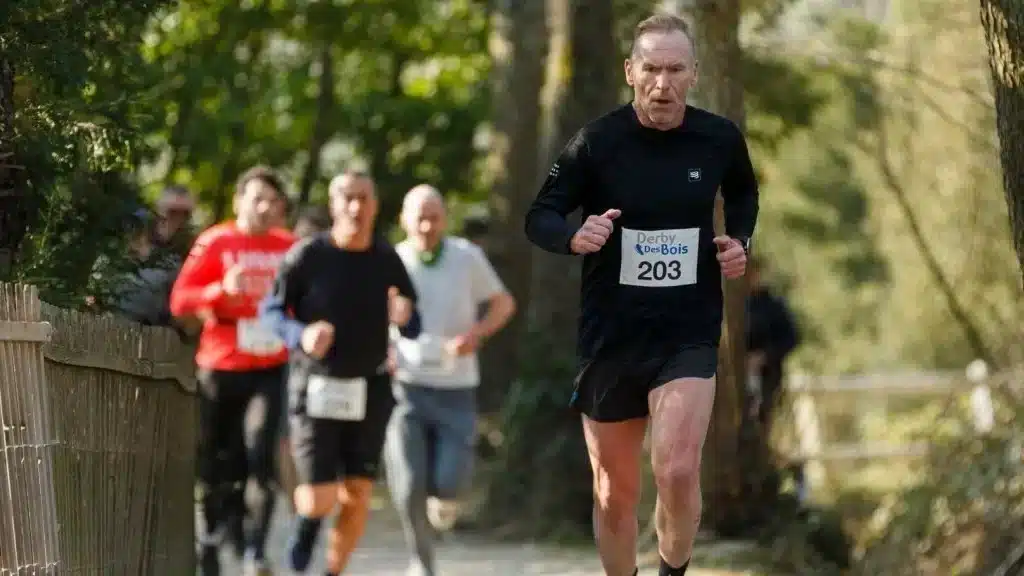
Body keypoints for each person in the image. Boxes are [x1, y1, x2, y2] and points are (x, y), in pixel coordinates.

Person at [523, 13, 759, 576]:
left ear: (694, 73)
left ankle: (672, 572)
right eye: (651, 68)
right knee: (613, 492)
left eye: (676, 69)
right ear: (630, 71)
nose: (663, 83)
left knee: (677, 470)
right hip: (611, 337)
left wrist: (740, 239)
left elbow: (744, 193)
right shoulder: (598, 142)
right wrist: (574, 236)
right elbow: (540, 215)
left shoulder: (718, 138)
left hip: (688, 332)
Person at [258, 171, 421, 575]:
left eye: (364, 198)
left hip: (371, 386)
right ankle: (308, 526)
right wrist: (301, 333)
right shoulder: (308, 256)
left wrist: (406, 315)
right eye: (347, 198)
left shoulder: (386, 258)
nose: (355, 207)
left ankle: (332, 571)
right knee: (319, 498)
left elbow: (412, 319)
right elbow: (271, 310)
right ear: (333, 205)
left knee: (358, 493)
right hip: (316, 386)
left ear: (375, 205)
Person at [169, 166, 296, 576]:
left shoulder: (289, 248)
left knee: (261, 454)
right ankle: (209, 540)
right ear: (239, 201)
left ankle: (256, 552)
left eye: (273, 201)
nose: (264, 207)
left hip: (269, 366)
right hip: (221, 365)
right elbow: (180, 301)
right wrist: (220, 289)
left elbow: (312, 300)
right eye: (257, 198)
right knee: (217, 464)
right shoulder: (216, 241)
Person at [384, 185, 516, 576]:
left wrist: (476, 335)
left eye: (434, 216)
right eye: (419, 216)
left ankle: (445, 502)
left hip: (456, 388)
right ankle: (422, 563)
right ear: (404, 220)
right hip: (405, 387)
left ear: (445, 218)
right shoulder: (391, 260)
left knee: (450, 483)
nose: (426, 225)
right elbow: (372, 313)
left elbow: (503, 304)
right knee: (408, 487)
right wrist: (383, 348)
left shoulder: (466, 257)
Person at [277, 203, 334, 515]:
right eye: (300, 238)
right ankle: (296, 502)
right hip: (287, 362)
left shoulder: (339, 270)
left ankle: (316, 496)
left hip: (329, 366)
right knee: (287, 437)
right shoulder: (285, 266)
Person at [745, 255, 800, 436]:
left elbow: (791, 338)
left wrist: (764, 356)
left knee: (761, 425)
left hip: (766, 376)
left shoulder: (773, 306)